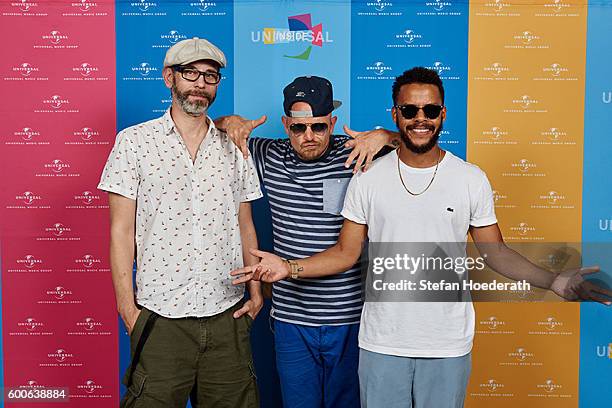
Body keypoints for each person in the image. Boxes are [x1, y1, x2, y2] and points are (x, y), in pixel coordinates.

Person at [230, 67, 612, 408]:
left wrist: (554, 281)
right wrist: (229, 124)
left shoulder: (465, 178)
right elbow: (348, 252)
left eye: (430, 111)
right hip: (378, 340)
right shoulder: (367, 175)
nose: (420, 119)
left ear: (442, 114)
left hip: (445, 344)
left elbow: (496, 254)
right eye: (409, 111)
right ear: (396, 115)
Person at [98, 37, 263, 408]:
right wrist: (128, 308)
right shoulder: (134, 143)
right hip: (160, 318)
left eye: (210, 76)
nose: (200, 84)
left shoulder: (234, 146)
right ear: (168, 78)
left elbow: (245, 224)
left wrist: (255, 292)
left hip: (227, 314)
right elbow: (120, 232)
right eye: (191, 73)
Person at [216, 75, 398, 408]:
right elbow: (204, 134)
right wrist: (227, 122)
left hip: (349, 317)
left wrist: (387, 137)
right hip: (291, 319)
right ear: (285, 124)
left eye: (319, 126)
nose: (309, 137)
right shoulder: (267, 155)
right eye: (298, 128)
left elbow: (422, 150)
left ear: (333, 122)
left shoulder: (357, 155)